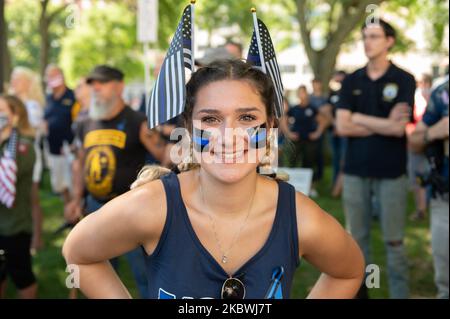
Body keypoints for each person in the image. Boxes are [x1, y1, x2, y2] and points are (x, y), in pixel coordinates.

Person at [63, 60, 364, 299]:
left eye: (246, 118)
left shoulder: (298, 217)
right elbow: (78, 254)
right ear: (189, 129)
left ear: (271, 126)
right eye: (210, 119)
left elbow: (349, 271)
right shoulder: (153, 206)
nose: (228, 137)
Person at [64, 65, 165, 298]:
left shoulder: (137, 121)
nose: (95, 88)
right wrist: (76, 198)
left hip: (131, 210)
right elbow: (80, 162)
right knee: (97, 269)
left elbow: (164, 158)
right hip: (95, 206)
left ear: (119, 86)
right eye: (91, 83)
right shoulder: (85, 122)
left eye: (102, 82)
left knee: (143, 274)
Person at [336, 19, 416, 298]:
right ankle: (363, 295)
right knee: (357, 244)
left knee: (394, 243)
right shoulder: (352, 80)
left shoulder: (404, 79)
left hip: (391, 173)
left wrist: (357, 116)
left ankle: (399, 294)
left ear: (389, 41)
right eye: (365, 37)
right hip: (356, 172)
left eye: (374, 36)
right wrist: (381, 122)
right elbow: (341, 125)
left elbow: (398, 129)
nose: (367, 42)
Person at [409, 76, 448, 299]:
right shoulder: (443, 92)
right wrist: (436, 131)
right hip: (444, 196)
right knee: (445, 278)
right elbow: (415, 141)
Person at [0, 95, 41, 298]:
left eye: (1, 111)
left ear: (14, 117)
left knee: (23, 278)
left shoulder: (24, 146)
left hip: (14, 226)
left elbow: (9, 177)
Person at [9, 67, 45, 249]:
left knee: (32, 196)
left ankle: (36, 238)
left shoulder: (32, 105)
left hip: (28, 155)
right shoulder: (8, 104)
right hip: (9, 155)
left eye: (18, 79)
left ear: (27, 83)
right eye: (13, 78)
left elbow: (28, 131)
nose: (13, 82)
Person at [281, 85, 328, 196]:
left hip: (310, 141)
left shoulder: (312, 108)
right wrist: (289, 134)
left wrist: (317, 133)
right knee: (292, 162)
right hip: (297, 140)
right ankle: (290, 187)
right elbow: (284, 120)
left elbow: (323, 120)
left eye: (304, 92)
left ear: (307, 94)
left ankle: (311, 188)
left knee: (310, 163)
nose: (302, 95)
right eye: (300, 93)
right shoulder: (294, 109)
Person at [43, 65, 79, 205]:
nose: (52, 79)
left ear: (62, 76)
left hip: (70, 149)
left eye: (55, 75)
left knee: (73, 184)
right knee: (61, 185)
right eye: (49, 76)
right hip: (53, 149)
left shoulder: (73, 96)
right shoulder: (48, 99)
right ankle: (68, 211)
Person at [407, 74, 433, 221]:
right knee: (420, 176)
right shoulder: (418, 96)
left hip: (424, 140)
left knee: (420, 176)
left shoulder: (431, 96)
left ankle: (422, 209)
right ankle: (422, 207)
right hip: (416, 140)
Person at [328, 70, 348, 197]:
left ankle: (341, 187)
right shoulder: (333, 93)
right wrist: (335, 124)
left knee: (343, 159)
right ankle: (335, 183)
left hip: (345, 132)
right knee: (336, 158)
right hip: (333, 131)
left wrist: (340, 126)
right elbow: (327, 109)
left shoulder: (348, 93)